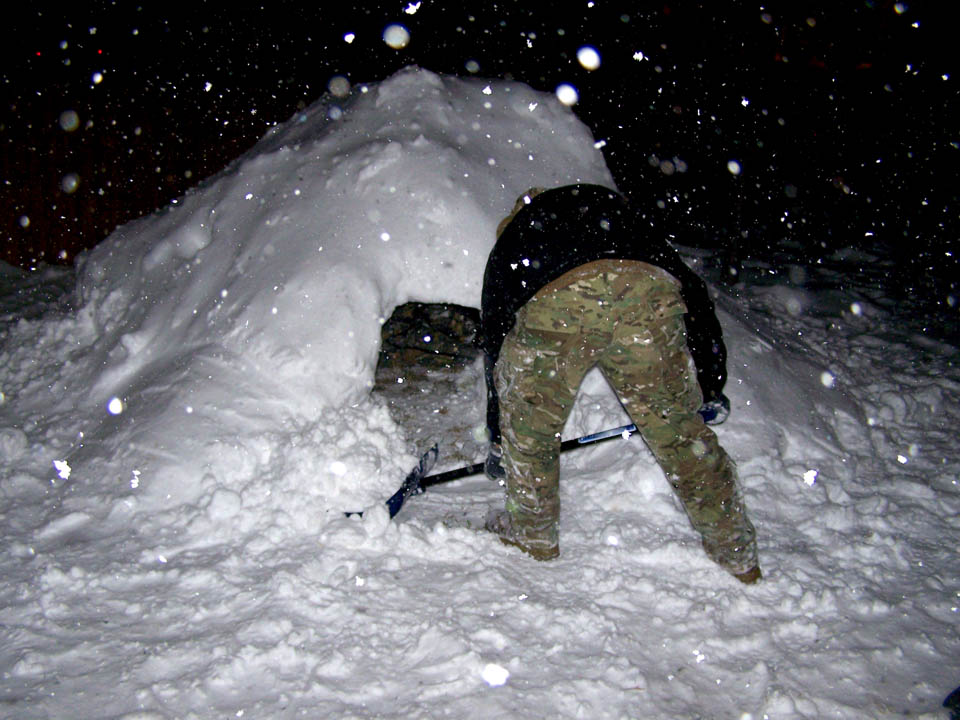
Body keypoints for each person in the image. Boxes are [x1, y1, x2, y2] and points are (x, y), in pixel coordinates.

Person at [478, 184, 761, 584]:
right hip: (646, 290)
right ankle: (736, 553)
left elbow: (495, 343)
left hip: (558, 303)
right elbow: (695, 295)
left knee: (532, 431)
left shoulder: (513, 240)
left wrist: (501, 436)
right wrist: (711, 386)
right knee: (680, 434)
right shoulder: (616, 209)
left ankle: (534, 536)